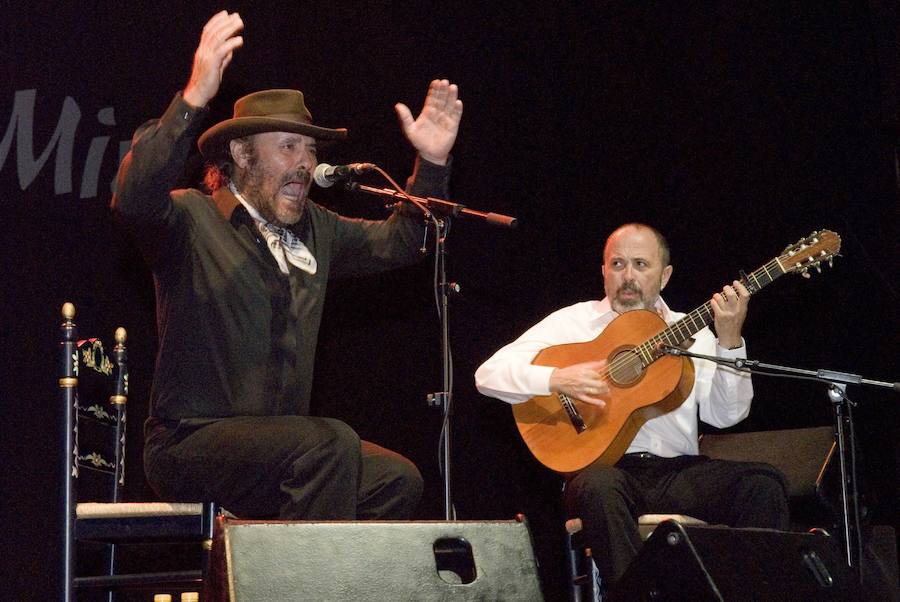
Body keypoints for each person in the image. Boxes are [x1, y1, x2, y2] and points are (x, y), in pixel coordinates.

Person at [111, 11, 463, 521]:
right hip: (191, 441)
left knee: (396, 480)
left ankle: (285, 573)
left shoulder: (318, 229)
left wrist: (430, 165)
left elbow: (402, 243)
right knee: (326, 444)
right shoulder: (192, 217)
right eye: (289, 146)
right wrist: (193, 98)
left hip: (283, 451)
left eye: (310, 148)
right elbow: (134, 196)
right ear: (241, 153)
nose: (304, 162)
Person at [475, 223, 789, 586]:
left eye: (641, 265)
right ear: (603, 272)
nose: (628, 276)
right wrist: (557, 379)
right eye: (617, 264)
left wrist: (730, 340)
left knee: (762, 483)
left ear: (665, 275)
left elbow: (727, 415)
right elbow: (488, 375)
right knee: (600, 488)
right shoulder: (573, 322)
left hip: (677, 472)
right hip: (604, 474)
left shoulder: (690, 330)